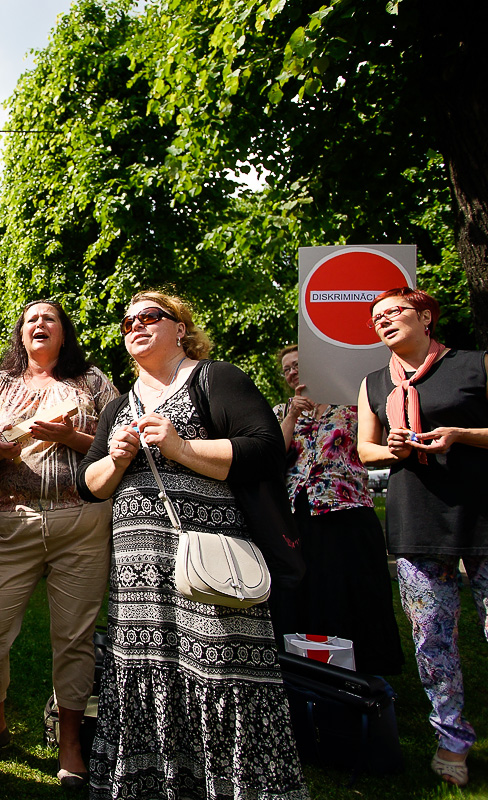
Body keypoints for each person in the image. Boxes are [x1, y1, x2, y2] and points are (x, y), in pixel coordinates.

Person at [77, 291, 307, 800]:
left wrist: (178, 446)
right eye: (128, 320)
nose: (135, 325)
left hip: (209, 561)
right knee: (144, 670)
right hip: (139, 575)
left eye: (150, 316)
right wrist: (116, 460)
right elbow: (88, 483)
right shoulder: (118, 405)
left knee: (221, 667)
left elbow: (266, 449)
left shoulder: (215, 378)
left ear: (180, 328)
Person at [357, 287, 488, 794]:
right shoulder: (373, 383)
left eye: (394, 312)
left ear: (426, 317)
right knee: (432, 643)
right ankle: (450, 739)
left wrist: (464, 434)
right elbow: (364, 451)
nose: (384, 322)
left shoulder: (478, 366)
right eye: (377, 319)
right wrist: (391, 448)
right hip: (419, 527)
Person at [0, 299, 117, 788]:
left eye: (49, 318)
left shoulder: (92, 382)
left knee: (73, 636)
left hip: (82, 519)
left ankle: (70, 741)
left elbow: (119, 445)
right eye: (30, 319)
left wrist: (71, 439)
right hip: (12, 519)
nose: (40, 324)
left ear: (64, 332)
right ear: (21, 335)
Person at [272, 344, 403, 674]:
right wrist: (291, 416)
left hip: (346, 513)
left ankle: (364, 671)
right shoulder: (279, 411)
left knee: (350, 592)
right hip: (297, 517)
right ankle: (310, 669)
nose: (293, 371)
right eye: (287, 368)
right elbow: (270, 459)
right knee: (308, 594)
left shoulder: (353, 406)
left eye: (298, 364)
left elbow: (380, 444)